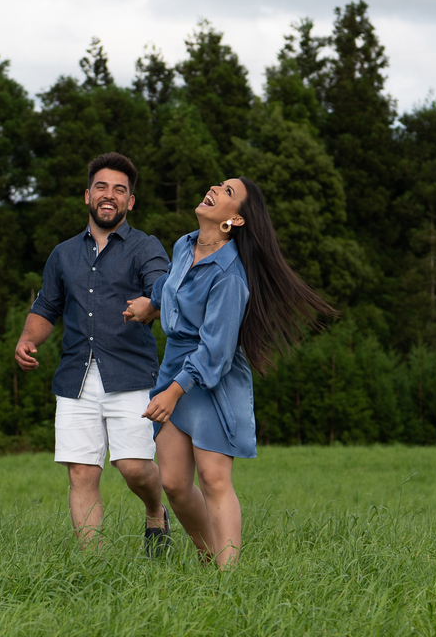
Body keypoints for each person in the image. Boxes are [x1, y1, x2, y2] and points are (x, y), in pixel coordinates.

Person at [123, 177, 336, 568]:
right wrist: (150, 304)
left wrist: (173, 391)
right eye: (220, 185)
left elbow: (216, 352)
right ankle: (210, 558)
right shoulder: (185, 245)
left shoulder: (230, 275)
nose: (216, 189)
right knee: (173, 482)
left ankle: (229, 578)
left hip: (212, 381)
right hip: (174, 370)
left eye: (228, 192)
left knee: (214, 479)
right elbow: (172, 282)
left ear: (235, 220)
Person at [15, 152, 171, 551]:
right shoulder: (63, 254)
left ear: (130, 201)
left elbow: (163, 290)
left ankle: (156, 511)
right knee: (81, 473)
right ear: (88, 195)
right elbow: (46, 307)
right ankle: (93, 563)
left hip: (131, 374)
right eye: (101, 187)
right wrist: (28, 339)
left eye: (119, 190)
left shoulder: (145, 247)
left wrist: (150, 304)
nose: (109, 195)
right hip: (75, 377)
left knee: (133, 467)